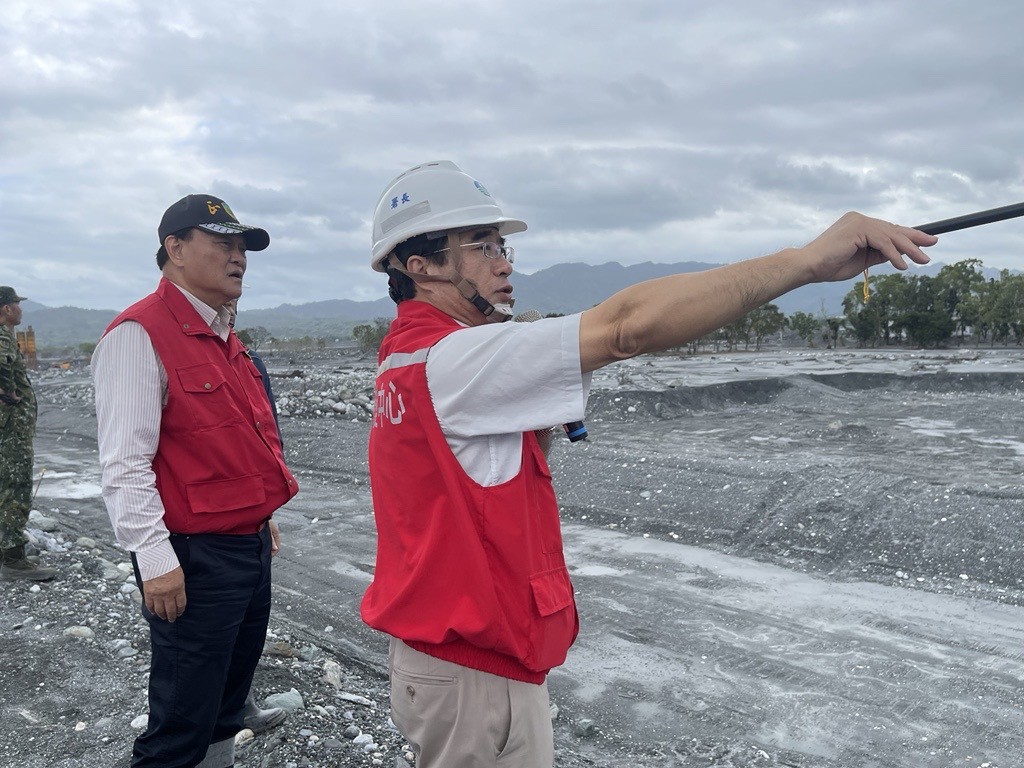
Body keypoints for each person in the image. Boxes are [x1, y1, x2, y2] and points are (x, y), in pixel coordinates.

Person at [359, 160, 937, 768]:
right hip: (473, 675)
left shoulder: (410, 358)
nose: (504, 264)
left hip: (451, 661)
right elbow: (626, 328)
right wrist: (809, 261)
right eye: (482, 246)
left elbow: (483, 479)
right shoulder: (454, 359)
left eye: (502, 245)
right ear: (420, 266)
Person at [92, 195, 298, 768]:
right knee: (184, 713)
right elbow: (125, 463)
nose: (239, 257)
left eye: (242, 246)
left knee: (229, 690)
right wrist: (155, 559)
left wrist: (260, 515)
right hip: (192, 555)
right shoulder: (139, 334)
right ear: (175, 249)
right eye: (223, 243)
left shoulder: (225, 335)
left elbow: (232, 441)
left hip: (246, 544)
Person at [224, 297, 288, 735]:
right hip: (198, 528)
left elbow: (265, 443)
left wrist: (265, 512)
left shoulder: (248, 360)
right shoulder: (161, 352)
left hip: (250, 519)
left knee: (248, 625)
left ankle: (239, 705)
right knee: (206, 637)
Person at [0, 286, 56, 581]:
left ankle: (6, 552)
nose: (21, 309)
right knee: (16, 486)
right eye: (17, 304)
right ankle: (13, 560)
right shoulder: (1, 337)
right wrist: (7, 395)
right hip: (11, 429)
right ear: (7, 309)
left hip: (10, 427)